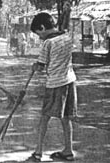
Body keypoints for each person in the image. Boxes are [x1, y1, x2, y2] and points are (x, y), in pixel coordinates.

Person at [26, 12, 77, 162]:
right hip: (70, 81)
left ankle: (38, 152)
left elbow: (40, 66)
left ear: (42, 27)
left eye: (38, 33)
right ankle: (68, 151)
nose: (39, 37)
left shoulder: (48, 43)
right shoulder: (67, 37)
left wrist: (35, 66)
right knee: (66, 118)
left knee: (44, 118)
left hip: (55, 84)